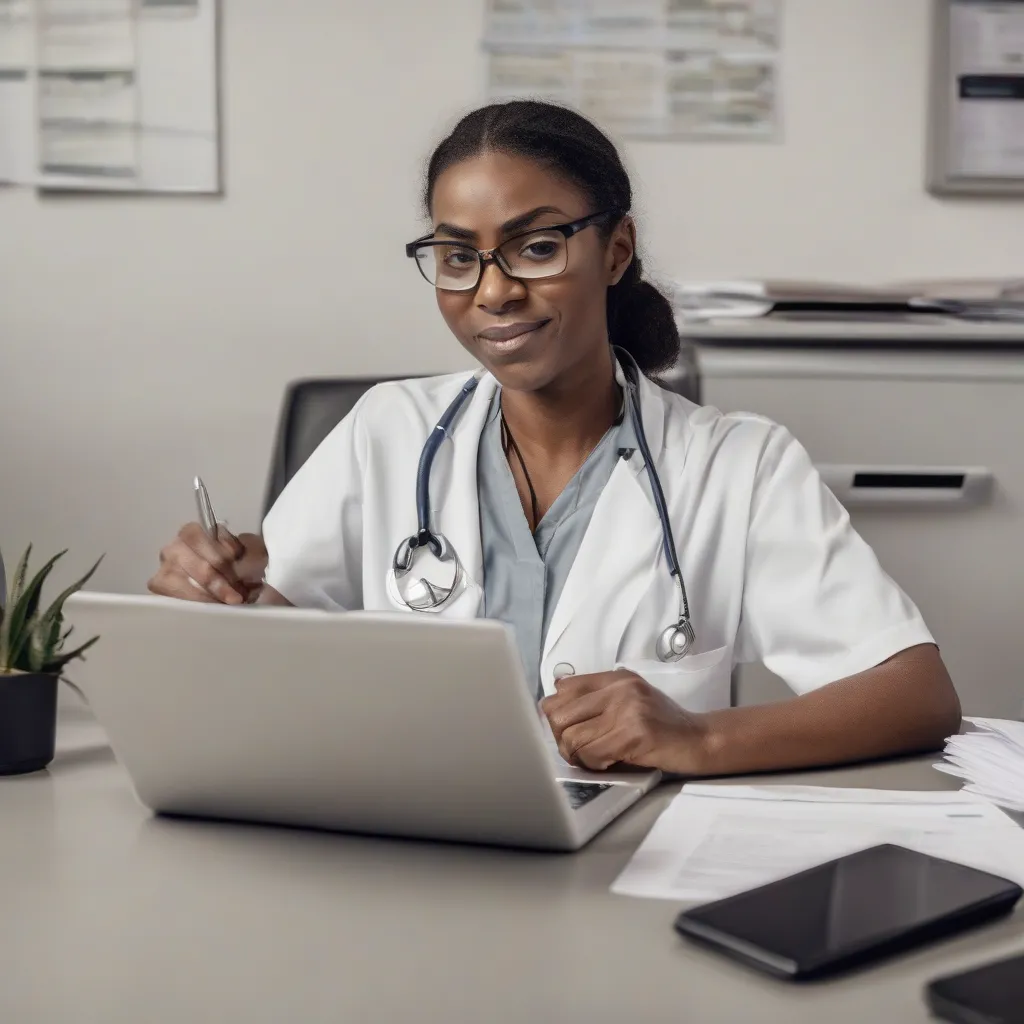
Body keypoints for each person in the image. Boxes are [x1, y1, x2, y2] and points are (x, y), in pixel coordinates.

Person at [148, 100, 961, 776]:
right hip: (408, 838)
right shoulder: (387, 430)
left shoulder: (737, 464)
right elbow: (268, 652)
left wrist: (700, 737)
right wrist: (227, 598)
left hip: (633, 860)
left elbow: (915, 694)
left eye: (536, 247)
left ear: (615, 250)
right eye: (458, 257)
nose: (494, 291)